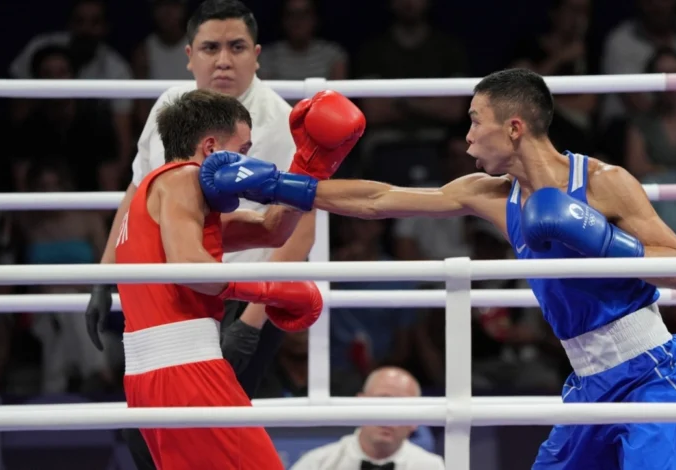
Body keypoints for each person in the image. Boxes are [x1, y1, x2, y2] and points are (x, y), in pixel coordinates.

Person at [205, 68, 676, 469]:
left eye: (475, 121)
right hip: (588, 382)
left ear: (514, 128)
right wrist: (278, 185)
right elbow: (380, 199)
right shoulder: (489, 195)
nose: (466, 138)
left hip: (651, 373)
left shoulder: (601, 183)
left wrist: (602, 239)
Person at [81, 1, 332, 467]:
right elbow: (142, 202)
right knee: (162, 446)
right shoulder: (173, 124)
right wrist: (105, 274)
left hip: (226, 305)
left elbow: (287, 232)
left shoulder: (275, 123)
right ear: (189, 55)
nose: (223, 61)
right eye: (211, 48)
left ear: (256, 54)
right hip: (175, 310)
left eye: (236, 47)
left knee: (208, 445)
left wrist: (251, 322)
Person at [117, 86, 362, 470]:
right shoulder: (182, 178)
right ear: (212, 149)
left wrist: (308, 166)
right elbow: (189, 267)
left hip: (149, 376)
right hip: (187, 371)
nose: (247, 161)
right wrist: (269, 292)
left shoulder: (154, 202)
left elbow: (271, 230)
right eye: (244, 150)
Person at [290, 367, 444, 469]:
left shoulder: (431, 467)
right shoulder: (318, 464)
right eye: (382, 402)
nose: (389, 416)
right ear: (359, 404)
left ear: (415, 420)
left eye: (401, 407)